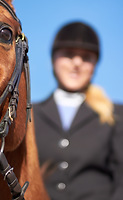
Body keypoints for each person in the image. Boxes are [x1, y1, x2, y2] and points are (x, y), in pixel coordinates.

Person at [33, 21, 123, 200]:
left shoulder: (117, 115)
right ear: (53, 59)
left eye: (86, 57)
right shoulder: (29, 114)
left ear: (95, 65)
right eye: (68, 54)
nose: (77, 63)